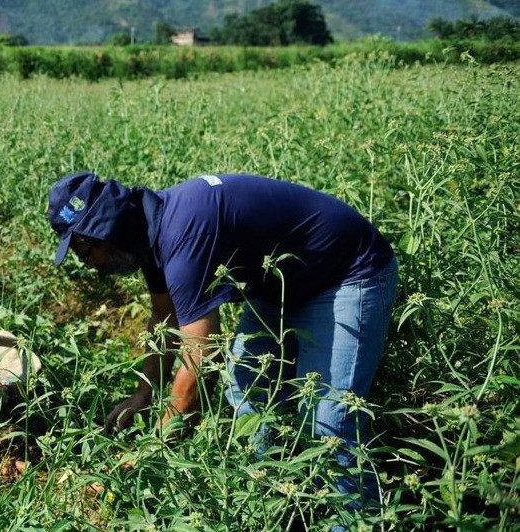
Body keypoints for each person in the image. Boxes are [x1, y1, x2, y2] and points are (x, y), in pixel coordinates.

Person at [47, 172, 398, 506]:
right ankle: (277, 496)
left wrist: (152, 449)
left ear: (103, 232)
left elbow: (202, 357)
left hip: (348, 273)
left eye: (83, 251)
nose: (87, 263)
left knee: (329, 424)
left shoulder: (183, 234)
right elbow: (163, 318)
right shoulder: (147, 233)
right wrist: (144, 392)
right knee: (245, 385)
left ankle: (353, 520)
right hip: (280, 282)